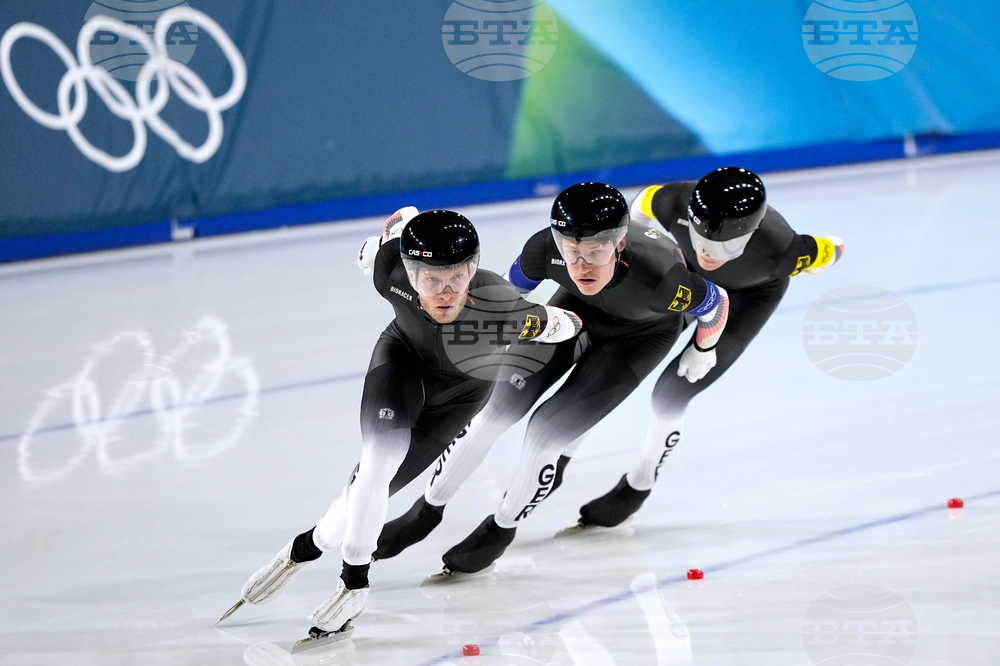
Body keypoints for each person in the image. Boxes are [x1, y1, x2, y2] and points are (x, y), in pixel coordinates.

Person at [216, 208, 582, 650]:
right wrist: (393, 231)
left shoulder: (502, 307)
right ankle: (354, 585)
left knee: (360, 499)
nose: (445, 292)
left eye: (458, 276)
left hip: (458, 401)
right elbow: (382, 241)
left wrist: (560, 324)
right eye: (431, 279)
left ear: (473, 269)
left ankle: (304, 548)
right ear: (409, 273)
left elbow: (565, 325)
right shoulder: (387, 268)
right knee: (376, 465)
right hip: (401, 363)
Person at [373, 181, 731, 576]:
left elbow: (717, 303)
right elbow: (501, 298)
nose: (581, 266)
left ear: (620, 245)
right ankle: (426, 511)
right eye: (571, 251)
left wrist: (703, 349)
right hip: (574, 313)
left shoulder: (663, 278)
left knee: (544, 434)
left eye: (595, 252)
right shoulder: (543, 249)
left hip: (639, 338)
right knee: (494, 410)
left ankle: (500, 529)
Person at [574, 166, 844, 527]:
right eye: (701, 238)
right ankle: (564, 448)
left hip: (747, 299)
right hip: (692, 283)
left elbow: (834, 249)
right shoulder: (668, 201)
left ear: (752, 235)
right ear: (689, 218)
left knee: (671, 392)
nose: (710, 253)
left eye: (728, 246)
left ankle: (639, 484)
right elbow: (636, 223)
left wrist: (830, 249)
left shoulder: (784, 249)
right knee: (616, 356)